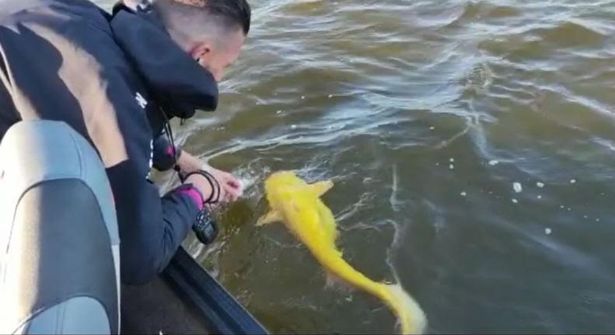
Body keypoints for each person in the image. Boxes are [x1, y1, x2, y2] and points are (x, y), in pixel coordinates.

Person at [0, 0, 250, 284]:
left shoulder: (86, 20)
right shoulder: (113, 106)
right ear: (201, 54)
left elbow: (129, 114)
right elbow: (138, 258)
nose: (220, 78)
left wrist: (188, 162)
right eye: (225, 66)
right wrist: (201, 189)